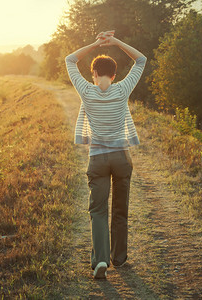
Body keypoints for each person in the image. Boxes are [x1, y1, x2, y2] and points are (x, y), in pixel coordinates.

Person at [65, 31, 147, 279]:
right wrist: (115, 42)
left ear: (93, 74)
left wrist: (96, 43)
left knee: (98, 211)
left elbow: (70, 59)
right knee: (120, 209)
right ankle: (119, 258)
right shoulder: (122, 89)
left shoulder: (86, 92)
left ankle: (101, 260)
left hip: (98, 159)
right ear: (114, 75)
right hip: (121, 158)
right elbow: (141, 60)